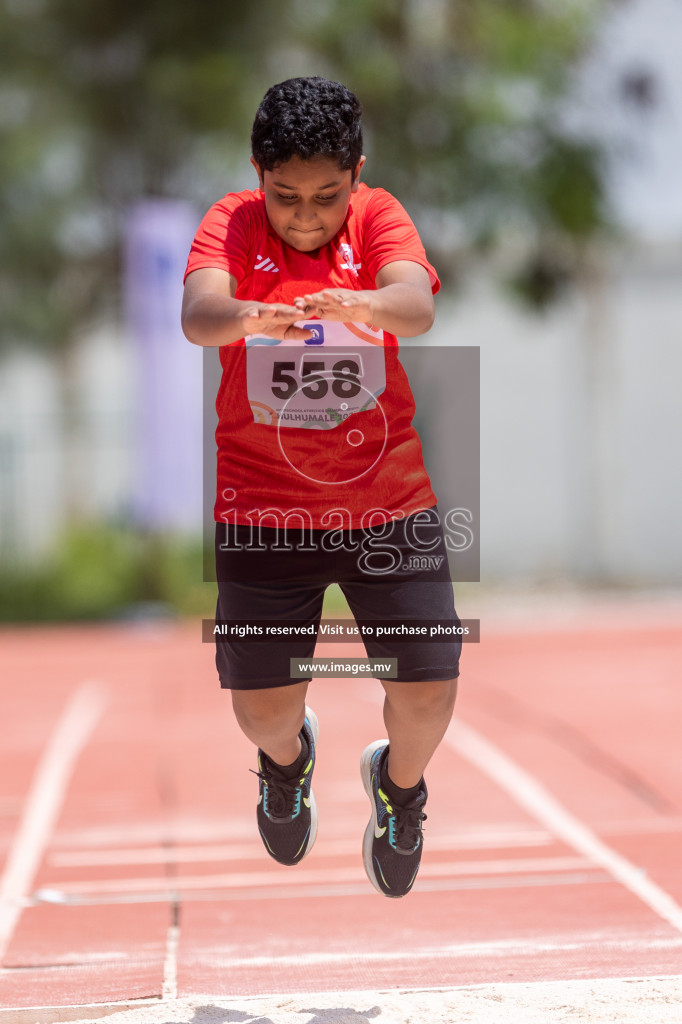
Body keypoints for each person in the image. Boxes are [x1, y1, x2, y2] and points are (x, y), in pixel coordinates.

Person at [182, 76, 461, 898]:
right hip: (265, 509)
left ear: (357, 173)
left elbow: (417, 304)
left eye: (326, 196)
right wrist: (246, 319)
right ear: (257, 175)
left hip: (390, 505)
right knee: (263, 711)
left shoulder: (379, 217)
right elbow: (199, 315)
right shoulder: (230, 224)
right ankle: (286, 762)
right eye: (286, 196)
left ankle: (399, 790)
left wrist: (370, 304)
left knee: (428, 689)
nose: (306, 215)